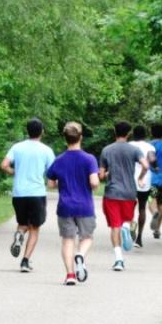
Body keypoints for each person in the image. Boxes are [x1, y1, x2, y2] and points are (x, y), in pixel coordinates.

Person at [46, 122, 99, 286]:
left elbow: (50, 184)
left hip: (65, 207)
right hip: (85, 206)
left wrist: (61, 182)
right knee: (87, 237)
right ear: (80, 137)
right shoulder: (89, 159)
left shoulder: (58, 160)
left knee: (67, 240)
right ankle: (80, 255)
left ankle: (70, 275)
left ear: (65, 139)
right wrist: (94, 185)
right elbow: (94, 182)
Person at [0, 118, 55, 272]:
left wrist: (14, 172)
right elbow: (52, 173)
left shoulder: (17, 147)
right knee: (34, 228)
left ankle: (19, 235)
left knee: (23, 224)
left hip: (19, 193)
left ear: (27, 131)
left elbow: (4, 165)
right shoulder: (46, 150)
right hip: (37, 193)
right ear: (42, 131)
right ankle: (25, 261)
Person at [99, 122, 148, 271]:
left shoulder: (106, 150)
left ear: (115, 131)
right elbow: (146, 165)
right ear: (129, 133)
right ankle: (126, 226)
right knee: (126, 220)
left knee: (115, 226)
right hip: (129, 192)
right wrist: (141, 178)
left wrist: (108, 173)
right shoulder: (134, 150)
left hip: (112, 193)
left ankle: (119, 260)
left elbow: (101, 175)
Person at [129, 125, 156, 248]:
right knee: (142, 208)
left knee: (130, 207)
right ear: (145, 135)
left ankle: (132, 225)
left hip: (130, 179)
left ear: (133, 134)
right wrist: (155, 166)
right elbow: (152, 159)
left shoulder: (129, 145)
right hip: (144, 180)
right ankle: (139, 237)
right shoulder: (149, 147)